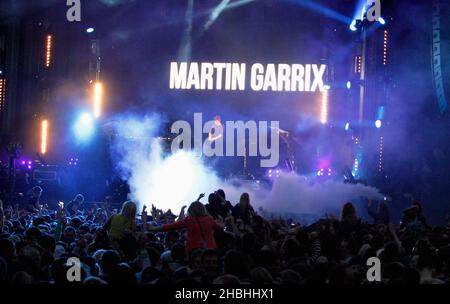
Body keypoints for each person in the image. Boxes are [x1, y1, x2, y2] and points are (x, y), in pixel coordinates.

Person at [149, 196, 224, 254]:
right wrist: (221, 222)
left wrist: (155, 228)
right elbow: (220, 228)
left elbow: (172, 226)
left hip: (193, 249)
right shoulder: (209, 219)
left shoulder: (189, 220)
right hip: (210, 248)